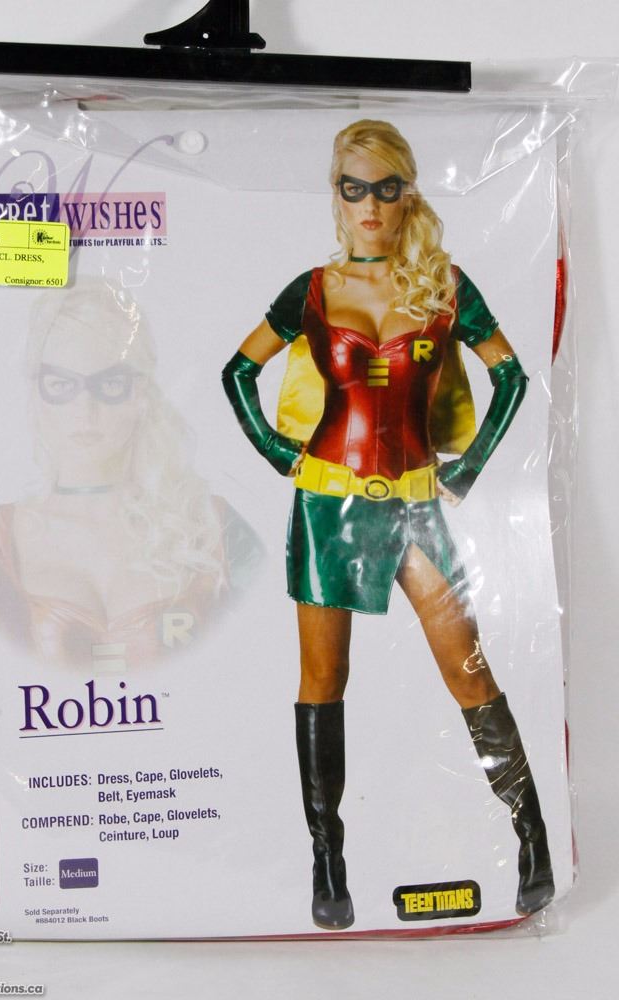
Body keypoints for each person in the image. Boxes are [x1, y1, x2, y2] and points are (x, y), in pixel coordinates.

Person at [222, 120, 554, 930]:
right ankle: (327, 861)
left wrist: (465, 471)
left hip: (414, 501)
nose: (370, 205)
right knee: (323, 680)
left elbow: (511, 375)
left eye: (386, 188)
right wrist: (280, 454)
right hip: (327, 506)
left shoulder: (443, 284)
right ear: (335, 196)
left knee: (468, 671)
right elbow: (238, 372)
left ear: (408, 194)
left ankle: (535, 839)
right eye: (354, 188)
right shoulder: (311, 289)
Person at [0, 278, 261, 669]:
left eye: (110, 384)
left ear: (142, 395)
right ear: (35, 394)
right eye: (61, 384)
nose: (85, 409)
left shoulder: (221, 535)